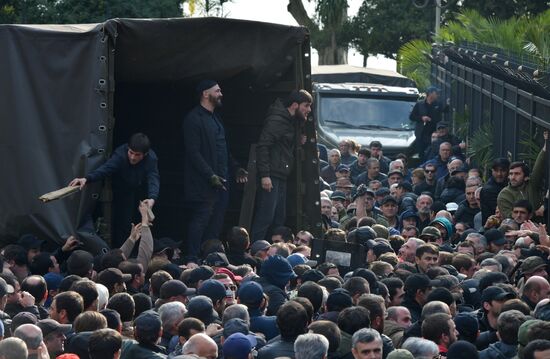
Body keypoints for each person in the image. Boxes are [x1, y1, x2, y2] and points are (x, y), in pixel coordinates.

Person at [69, 132, 159, 247]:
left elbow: (153, 178)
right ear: (127, 148)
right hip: (116, 188)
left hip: (132, 188)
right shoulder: (120, 155)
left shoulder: (151, 158)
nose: (132, 157)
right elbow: (106, 169)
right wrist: (87, 178)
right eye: (131, 152)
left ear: (145, 154)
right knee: (110, 219)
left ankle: (124, 252)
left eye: (137, 155)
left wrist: (152, 198)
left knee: (126, 224)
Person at [251, 89, 313, 242]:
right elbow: (263, 146)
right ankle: (255, 248)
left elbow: (282, 143)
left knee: (279, 217)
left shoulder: (291, 121)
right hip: (272, 174)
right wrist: (265, 175)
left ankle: (272, 248)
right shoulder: (277, 121)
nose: (309, 110)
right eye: (306, 106)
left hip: (280, 174)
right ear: (294, 105)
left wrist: (298, 140)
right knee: (266, 216)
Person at [497, 130, 547, 219]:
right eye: (511, 174)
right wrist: (536, 213)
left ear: (525, 176)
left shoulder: (531, 185)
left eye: (517, 174)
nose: (513, 177)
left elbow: (539, 166)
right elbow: (511, 217)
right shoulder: (504, 195)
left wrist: (546, 143)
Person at [409, 86, 449, 160]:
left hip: (433, 134)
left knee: (432, 153)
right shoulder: (419, 104)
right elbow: (412, 117)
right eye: (436, 93)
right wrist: (422, 118)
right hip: (421, 134)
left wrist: (448, 104)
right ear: (430, 94)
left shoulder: (438, 104)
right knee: (421, 154)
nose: (438, 95)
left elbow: (445, 110)